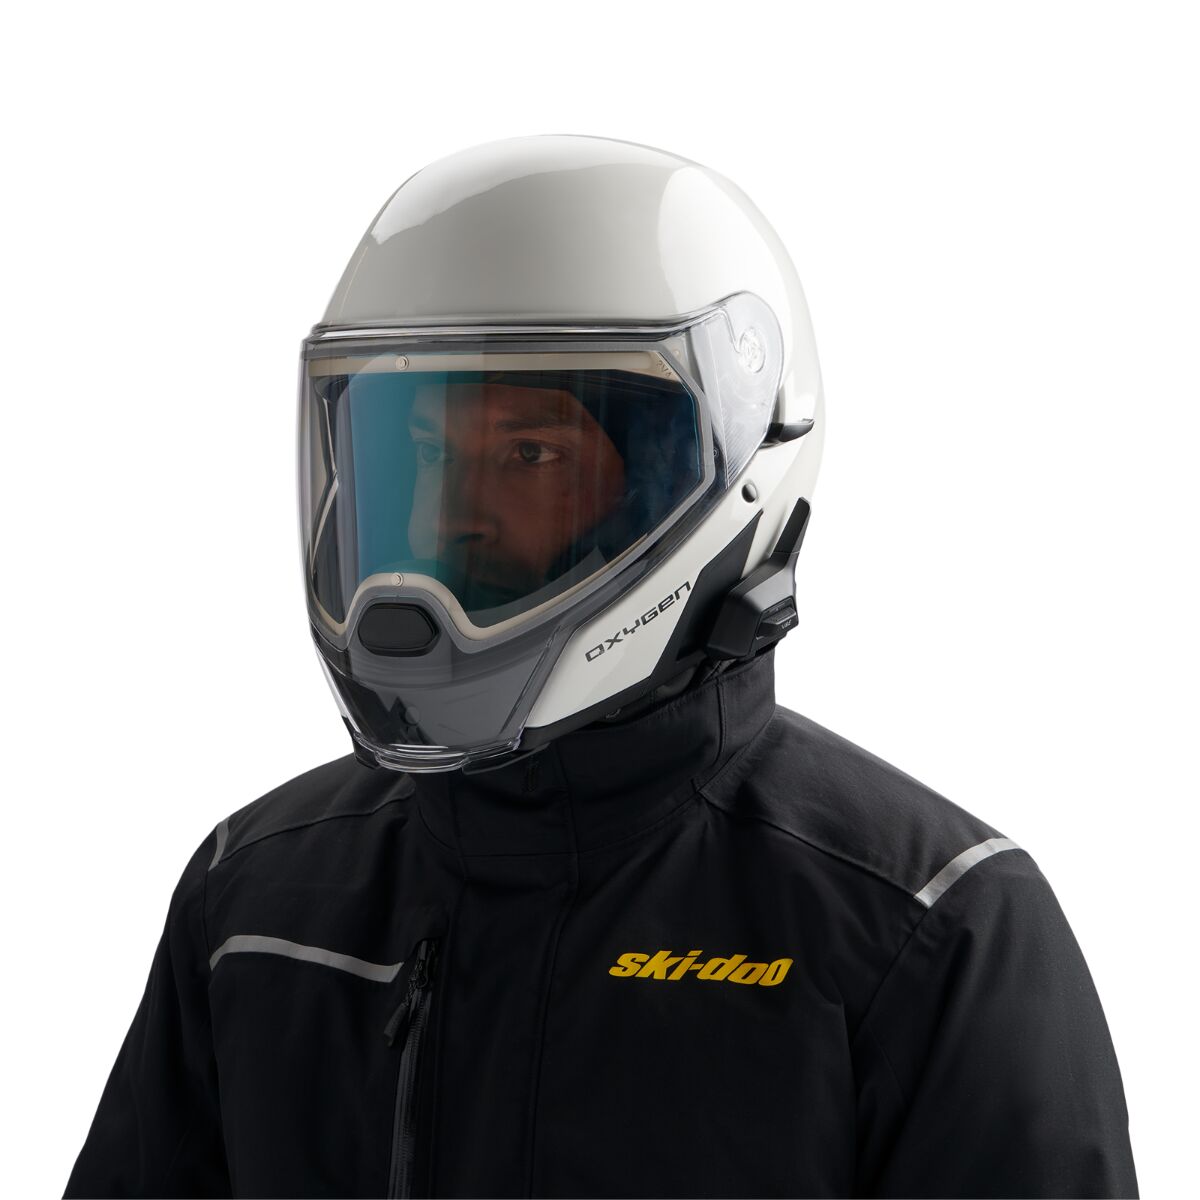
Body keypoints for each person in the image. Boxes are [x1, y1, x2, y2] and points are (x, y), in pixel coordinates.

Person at [64, 135, 1138, 1199]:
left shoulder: (924, 927)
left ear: (722, 471)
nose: (448, 520)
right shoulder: (258, 901)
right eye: (426, 453)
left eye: (531, 454)